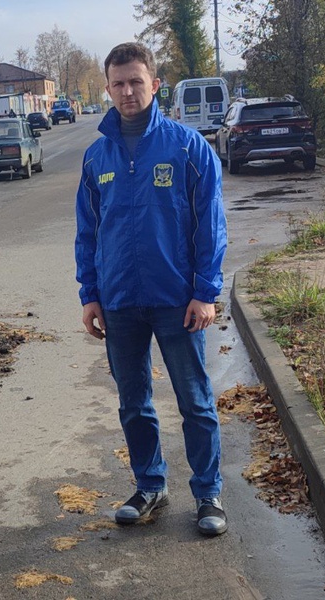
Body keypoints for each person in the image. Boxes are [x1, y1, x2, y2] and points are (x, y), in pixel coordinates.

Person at [74, 42, 228, 536]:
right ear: (108, 88)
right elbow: (87, 231)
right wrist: (90, 294)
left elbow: (210, 225)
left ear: (154, 84)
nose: (127, 92)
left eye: (136, 81)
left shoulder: (187, 147)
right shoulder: (98, 156)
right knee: (133, 403)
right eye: (118, 83)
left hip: (177, 301)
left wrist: (205, 291)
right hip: (120, 303)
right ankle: (150, 487)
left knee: (195, 402)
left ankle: (208, 495)